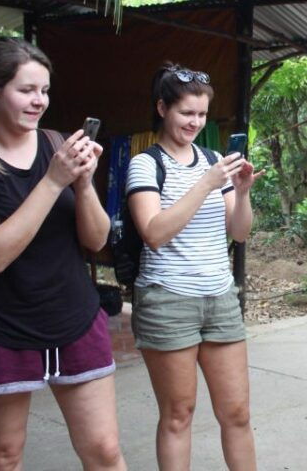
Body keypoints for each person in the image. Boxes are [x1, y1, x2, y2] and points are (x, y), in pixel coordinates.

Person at [0, 39, 125, 470]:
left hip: (73, 317)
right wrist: (55, 181)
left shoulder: (55, 146)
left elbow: (94, 241)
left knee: (105, 451)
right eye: (27, 90)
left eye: (45, 90)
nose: (39, 101)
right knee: (3, 456)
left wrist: (82, 183)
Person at [126, 62, 262, 471]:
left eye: (202, 114)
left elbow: (238, 233)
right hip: (167, 300)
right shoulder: (146, 164)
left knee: (237, 413)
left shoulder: (214, 158)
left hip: (219, 297)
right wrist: (205, 183)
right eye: (187, 113)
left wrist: (240, 193)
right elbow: (153, 232)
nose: (195, 122)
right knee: (179, 414)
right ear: (163, 108)